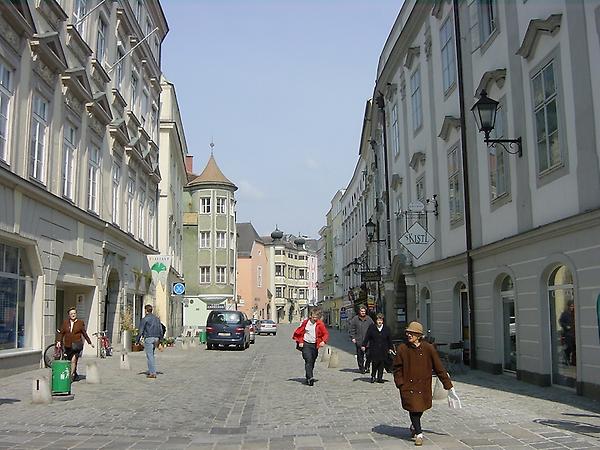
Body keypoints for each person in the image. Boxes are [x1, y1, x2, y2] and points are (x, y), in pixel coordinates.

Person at [393, 321, 455, 446]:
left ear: (419, 335)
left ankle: (414, 426)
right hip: (408, 385)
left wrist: (448, 385)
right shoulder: (402, 348)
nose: (409, 335)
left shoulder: (428, 348)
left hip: (423, 385)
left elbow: (439, 368)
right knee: (413, 408)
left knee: (419, 409)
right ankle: (419, 434)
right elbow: (397, 368)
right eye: (408, 333)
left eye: (412, 333)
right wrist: (400, 383)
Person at [292, 307, 329, 386]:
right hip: (306, 344)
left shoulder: (320, 324)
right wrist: (300, 342)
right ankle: (310, 378)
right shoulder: (306, 323)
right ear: (310, 316)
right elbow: (300, 332)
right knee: (308, 359)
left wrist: (323, 341)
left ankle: (308, 375)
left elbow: (325, 334)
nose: (315, 318)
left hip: (315, 345)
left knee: (312, 361)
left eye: (316, 317)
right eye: (314, 316)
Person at [57, 307, 94, 381]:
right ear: (69, 315)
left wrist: (89, 342)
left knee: (74, 360)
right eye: (71, 314)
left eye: (74, 313)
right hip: (68, 345)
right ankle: (75, 373)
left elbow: (84, 333)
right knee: (68, 360)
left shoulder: (80, 323)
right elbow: (61, 333)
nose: (73, 315)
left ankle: (71, 377)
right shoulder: (65, 323)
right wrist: (58, 341)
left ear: (76, 314)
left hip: (77, 345)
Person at [361, 313, 394, 383]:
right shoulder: (372, 328)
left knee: (381, 364)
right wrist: (364, 345)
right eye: (378, 320)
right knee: (375, 363)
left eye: (381, 320)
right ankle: (373, 376)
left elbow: (389, 340)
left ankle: (379, 378)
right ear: (376, 320)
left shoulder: (386, 328)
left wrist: (391, 348)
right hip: (374, 348)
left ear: (383, 321)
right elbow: (367, 337)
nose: (379, 322)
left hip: (383, 349)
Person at [136, 304, 163, 378]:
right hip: (156, 338)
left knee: (150, 356)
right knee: (152, 355)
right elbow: (161, 330)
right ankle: (152, 370)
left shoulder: (145, 319)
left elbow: (141, 330)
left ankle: (152, 373)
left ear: (146, 310)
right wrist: (160, 341)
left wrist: (137, 340)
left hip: (149, 338)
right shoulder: (157, 319)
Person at [348, 305, 374, 373]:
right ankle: (361, 368)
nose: (363, 312)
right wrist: (353, 337)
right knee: (360, 356)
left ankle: (367, 366)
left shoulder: (369, 319)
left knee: (369, 355)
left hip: (368, 341)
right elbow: (351, 329)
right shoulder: (355, 319)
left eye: (364, 311)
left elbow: (373, 328)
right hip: (359, 340)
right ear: (359, 312)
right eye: (362, 311)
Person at [559, 300, 576, 366]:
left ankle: (573, 362)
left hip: (574, 333)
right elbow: (560, 321)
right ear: (568, 306)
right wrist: (566, 326)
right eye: (571, 306)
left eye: (573, 306)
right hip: (568, 333)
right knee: (569, 347)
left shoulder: (574, 313)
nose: (572, 307)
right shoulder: (565, 313)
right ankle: (567, 359)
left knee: (574, 348)